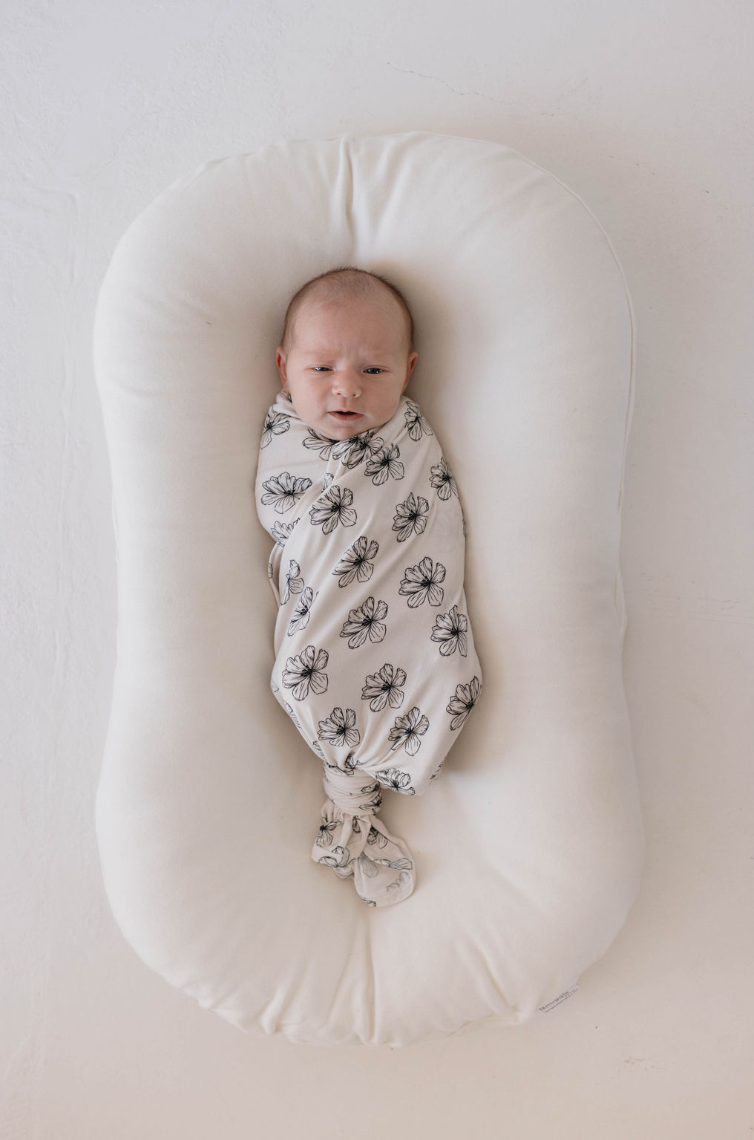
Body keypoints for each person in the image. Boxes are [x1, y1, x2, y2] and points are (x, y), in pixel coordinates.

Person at [255, 267, 482, 907]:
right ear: (283, 368)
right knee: (307, 667)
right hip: (329, 610)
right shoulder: (287, 446)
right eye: (321, 369)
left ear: (408, 371)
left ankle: (379, 757)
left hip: (404, 605)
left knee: (438, 665)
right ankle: (350, 774)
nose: (346, 389)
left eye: (373, 372)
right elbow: (285, 518)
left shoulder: (408, 444)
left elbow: (431, 526)